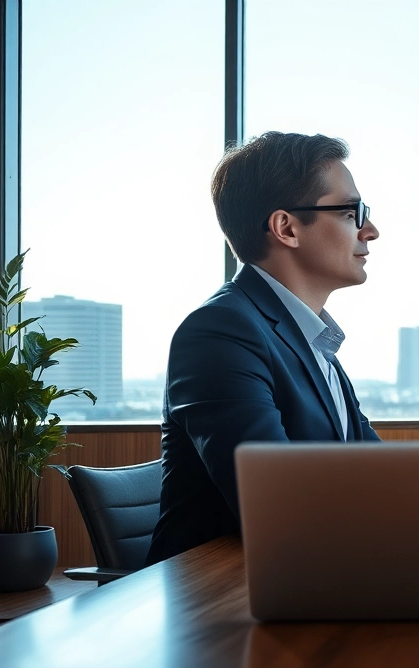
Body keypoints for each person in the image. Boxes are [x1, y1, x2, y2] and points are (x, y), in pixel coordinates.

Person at [148, 132, 382, 566]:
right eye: (352, 212)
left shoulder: (312, 341)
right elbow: (277, 504)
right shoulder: (220, 333)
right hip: (218, 601)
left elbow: (380, 476)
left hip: (316, 576)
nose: (371, 230)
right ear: (286, 228)